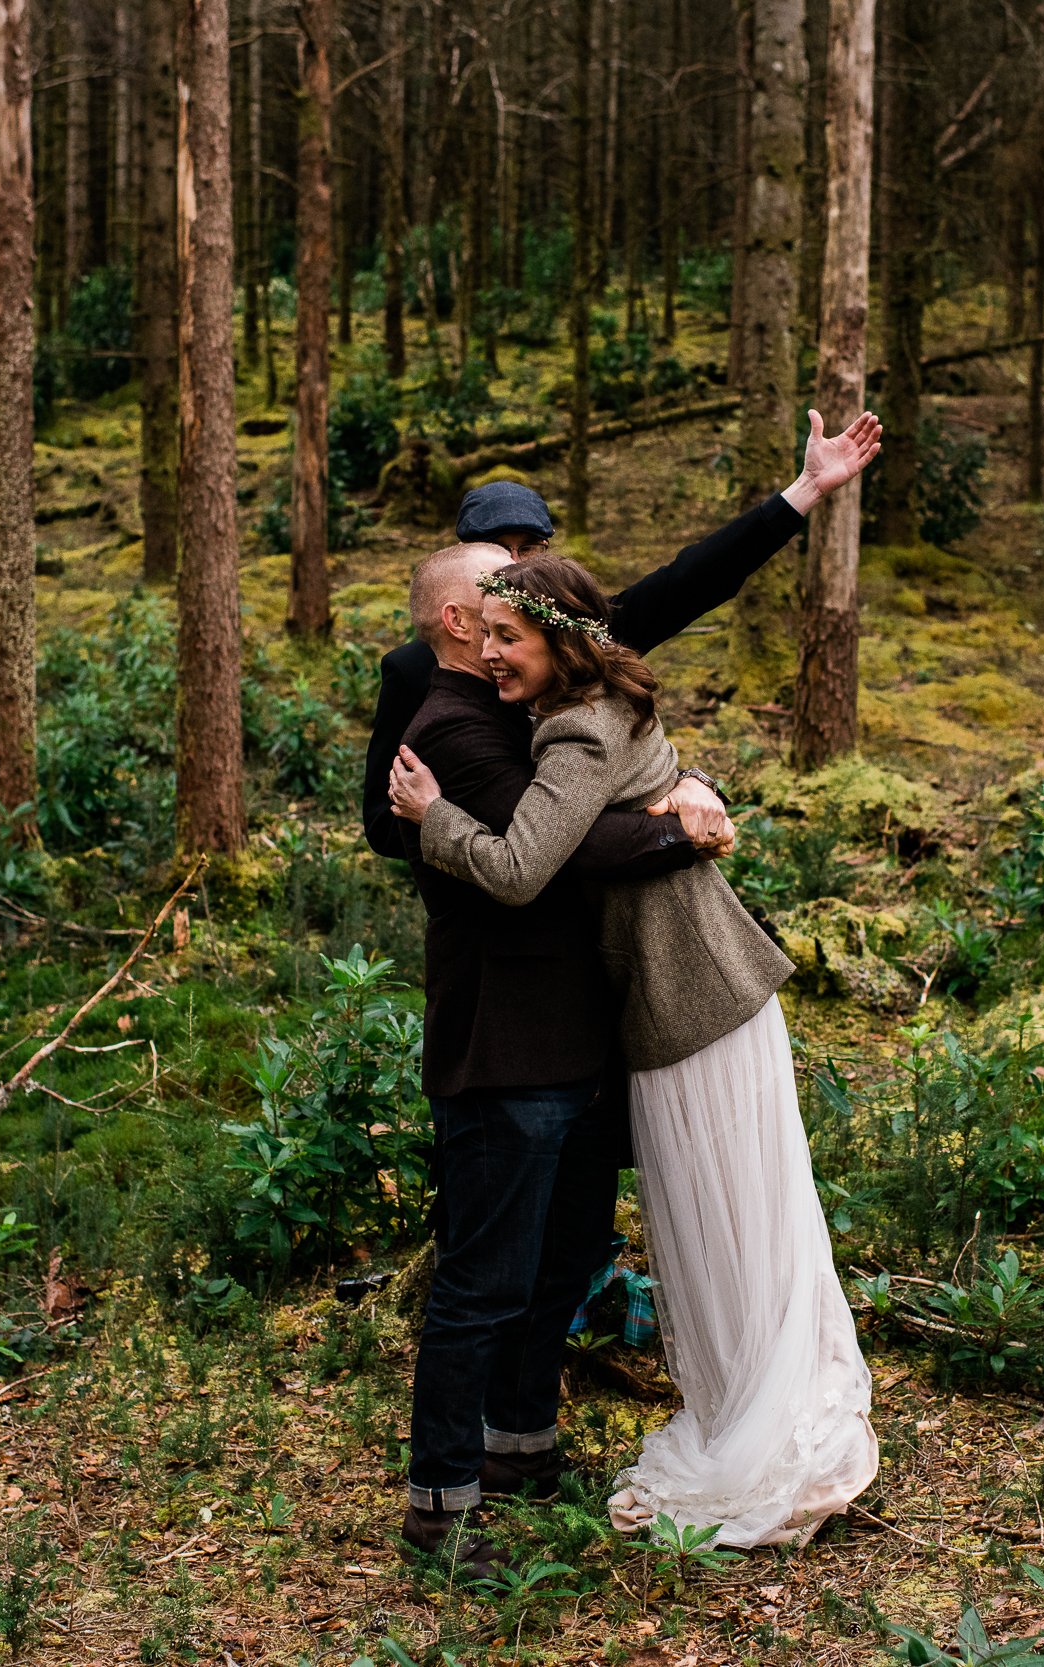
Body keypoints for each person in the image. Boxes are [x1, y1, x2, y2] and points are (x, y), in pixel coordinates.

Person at [373, 411, 880, 1572]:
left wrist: (797, 498)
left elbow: (670, 597)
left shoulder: (556, 685)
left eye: (528, 607)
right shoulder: (443, 704)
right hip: (509, 1028)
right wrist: (666, 824)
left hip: (599, 1023)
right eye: (498, 603)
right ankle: (446, 1501)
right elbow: (515, 851)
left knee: (563, 1256)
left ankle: (524, 1441)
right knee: (491, 1272)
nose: (515, 625)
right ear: (463, 618)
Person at [360, 411, 886, 864]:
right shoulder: (416, 670)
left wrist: (805, 491)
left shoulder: (583, 635)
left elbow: (693, 579)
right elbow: (387, 824)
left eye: (531, 548)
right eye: (498, 550)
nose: (515, 567)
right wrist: (461, 825)